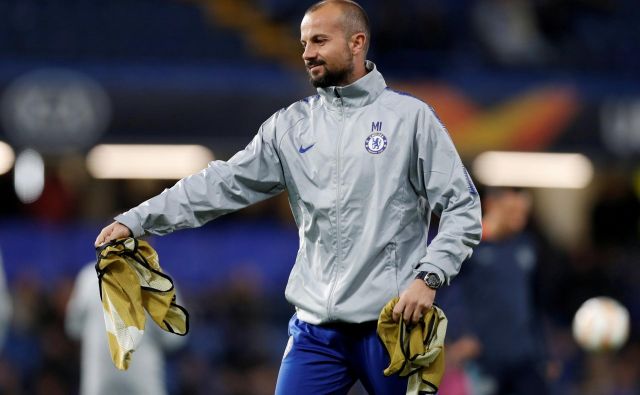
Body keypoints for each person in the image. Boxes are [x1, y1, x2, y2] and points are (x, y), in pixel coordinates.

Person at [95, 1, 482, 393]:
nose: (307, 53)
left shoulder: (411, 119)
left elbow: (463, 208)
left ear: (357, 43)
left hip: (392, 323)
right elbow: (220, 184)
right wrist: (137, 219)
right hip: (315, 331)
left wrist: (429, 277)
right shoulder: (290, 127)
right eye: (302, 44)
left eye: (319, 40)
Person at [438, 187, 549, 395]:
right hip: (483, 359)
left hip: (524, 357)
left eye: (523, 213)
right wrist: (459, 333)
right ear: (491, 204)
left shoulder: (526, 246)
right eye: (512, 211)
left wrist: (544, 355)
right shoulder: (467, 246)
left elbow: (534, 303)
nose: (519, 219)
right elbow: (444, 294)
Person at [65, 263, 186, 395]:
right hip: (143, 379)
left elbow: (73, 328)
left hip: (99, 379)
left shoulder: (89, 277)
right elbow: (175, 338)